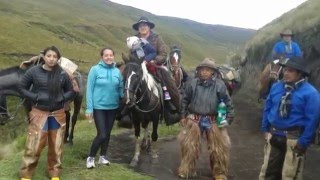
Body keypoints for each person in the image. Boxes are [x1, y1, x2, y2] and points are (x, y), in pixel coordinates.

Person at [19, 46, 77, 180]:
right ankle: (26, 175)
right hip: (39, 113)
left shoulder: (63, 73)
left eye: (55, 57)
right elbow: (22, 87)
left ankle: (54, 173)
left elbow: (71, 90)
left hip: (58, 114)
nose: (51, 59)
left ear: (58, 59)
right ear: (44, 57)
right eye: (49, 56)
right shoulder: (33, 71)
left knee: (56, 146)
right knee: (34, 145)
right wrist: (35, 97)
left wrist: (63, 98)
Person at [259, 56, 320, 180]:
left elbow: (312, 120)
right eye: (285, 70)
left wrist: (303, 142)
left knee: (289, 175)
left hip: (294, 140)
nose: (286, 73)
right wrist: (265, 128)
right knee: (268, 173)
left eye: (291, 71)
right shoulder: (276, 87)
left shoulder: (311, 93)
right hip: (274, 136)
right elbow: (268, 107)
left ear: (300, 74)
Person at [178, 58, 234, 180]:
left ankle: (219, 172)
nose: (204, 72)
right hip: (194, 119)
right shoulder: (192, 83)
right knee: (189, 147)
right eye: (202, 69)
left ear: (212, 72)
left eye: (207, 70)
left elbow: (228, 103)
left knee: (218, 148)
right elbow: (185, 100)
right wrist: (182, 116)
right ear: (199, 71)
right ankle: (186, 170)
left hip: (214, 120)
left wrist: (228, 119)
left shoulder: (220, 85)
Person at [85, 48, 123, 169]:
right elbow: (89, 90)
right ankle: (90, 157)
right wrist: (89, 108)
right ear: (101, 57)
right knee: (102, 134)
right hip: (99, 107)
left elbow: (121, 88)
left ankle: (103, 157)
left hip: (113, 107)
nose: (109, 57)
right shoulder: (95, 70)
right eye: (106, 55)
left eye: (111, 55)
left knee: (108, 133)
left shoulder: (117, 71)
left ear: (113, 57)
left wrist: (124, 97)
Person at [132, 16, 173, 101]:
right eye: (140, 26)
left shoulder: (157, 38)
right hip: (138, 66)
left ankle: (170, 103)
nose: (142, 27)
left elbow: (163, 53)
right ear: (138, 28)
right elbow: (131, 53)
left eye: (145, 25)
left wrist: (154, 61)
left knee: (166, 79)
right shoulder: (134, 39)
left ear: (149, 27)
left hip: (154, 65)